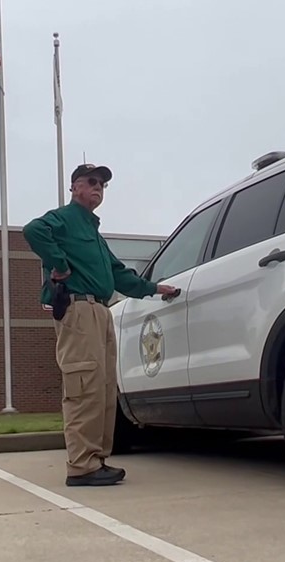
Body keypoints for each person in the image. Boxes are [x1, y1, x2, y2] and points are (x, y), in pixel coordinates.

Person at [22, 163, 178, 487]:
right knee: (84, 385)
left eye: (103, 185)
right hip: (78, 309)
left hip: (100, 311)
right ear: (74, 187)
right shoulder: (64, 219)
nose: (98, 188)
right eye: (92, 182)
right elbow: (33, 230)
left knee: (104, 387)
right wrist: (60, 266)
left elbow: (119, 274)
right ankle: (81, 465)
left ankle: (96, 460)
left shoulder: (93, 233)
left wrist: (154, 288)